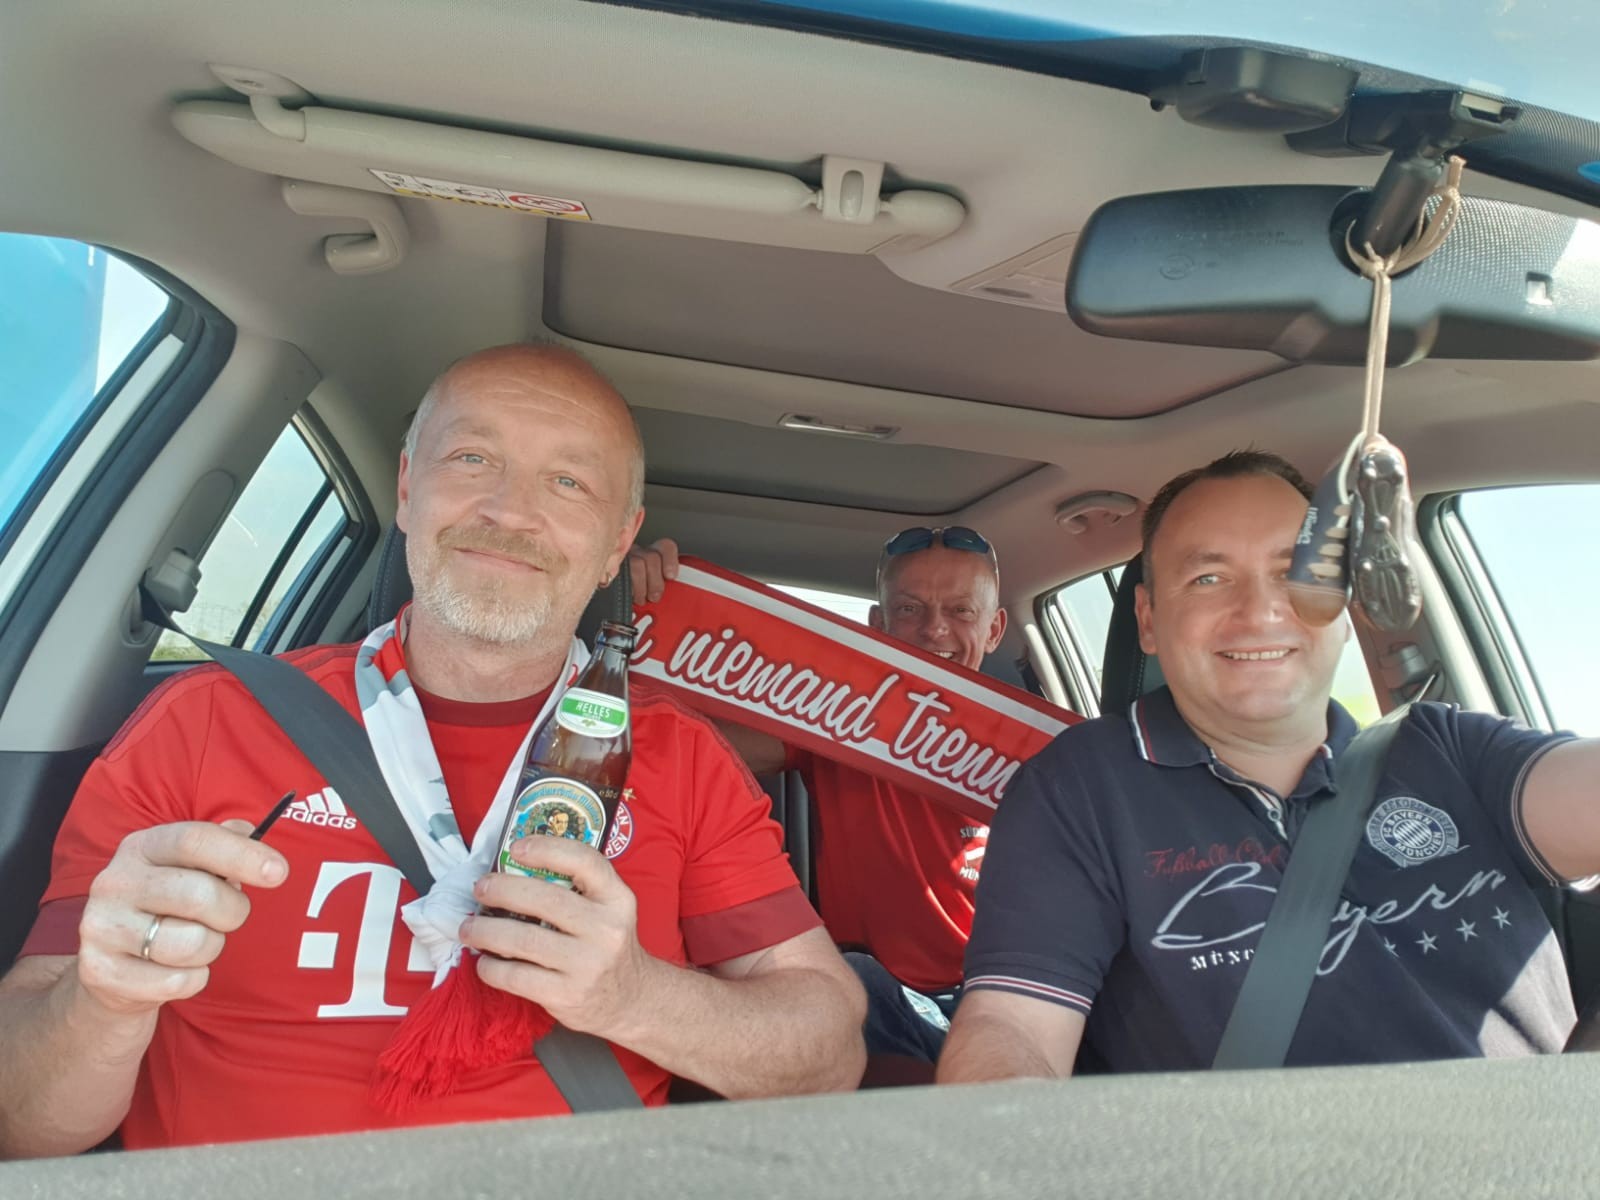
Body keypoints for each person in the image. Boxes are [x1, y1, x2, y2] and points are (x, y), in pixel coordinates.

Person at [0, 344, 865, 1157]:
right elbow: (23, 1129)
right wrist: (101, 1004)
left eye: (568, 482)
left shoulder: (682, 758)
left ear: (616, 544)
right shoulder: (205, 722)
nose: (510, 510)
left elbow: (830, 1058)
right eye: (472, 459)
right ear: (408, 488)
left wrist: (634, 997)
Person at [938, 449, 1598, 1082]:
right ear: (1148, 618)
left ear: (1343, 606)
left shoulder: (1452, 749)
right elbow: (1012, 1027)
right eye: (1208, 578)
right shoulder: (1078, 789)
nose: (1258, 611)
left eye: (1294, 572)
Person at [630, 526, 1007, 1064]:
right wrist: (633, 606)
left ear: (994, 629)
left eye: (961, 611)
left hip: (1008, 999)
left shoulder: (1036, 751)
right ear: (877, 625)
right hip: (881, 1000)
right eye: (909, 609)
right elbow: (691, 746)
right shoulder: (840, 717)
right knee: (848, 983)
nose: (934, 629)